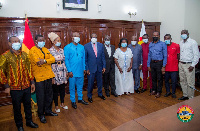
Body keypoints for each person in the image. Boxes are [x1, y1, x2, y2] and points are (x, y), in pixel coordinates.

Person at [0, 36, 38, 131]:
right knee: (17, 108)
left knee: (27, 105)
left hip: (26, 86)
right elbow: (0, 71)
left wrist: (32, 82)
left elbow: (29, 69)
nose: (16, 43)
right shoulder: (5, 56)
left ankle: (29, 122)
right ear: (9, 43)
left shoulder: (25, 55)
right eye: (14, 41)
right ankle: (19, 125)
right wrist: (6, 85)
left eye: (18, 41)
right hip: (14, 88)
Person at [29, 35, 58, 124]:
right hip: (39, 78)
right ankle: (41, 114)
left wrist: (45, 61)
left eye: (43, 40)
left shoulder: (45, 49)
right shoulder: (32, 50)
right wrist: (46, 60)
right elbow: (38, 62)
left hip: (48, 76)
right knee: (41, 97)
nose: (42, 41)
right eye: (40, 40)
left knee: (49, 95)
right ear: (36, 41)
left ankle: (48, 111)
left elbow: (53, 59)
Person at [64, 32, 89, 109]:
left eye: (78, 36)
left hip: (80, 70)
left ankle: (80, 99)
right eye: (75, 36)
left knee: (80, 86)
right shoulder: (67, 47)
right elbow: (66, 60)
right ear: (72, 37)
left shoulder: (82, 47)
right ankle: (73, 101)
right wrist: (69, 71)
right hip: (72, 71)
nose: (77, 37)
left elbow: (84, 58)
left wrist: (84, 68)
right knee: (72, 87)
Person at [48, 32, 68, 112]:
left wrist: (66, 72)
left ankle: (62, 103)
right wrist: (51, 76)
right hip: (54, 72)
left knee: (62, 89)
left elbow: (64, 61)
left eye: (60, 40)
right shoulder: (49, 51)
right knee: (55, 91)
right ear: (53, 41)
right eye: (57, 40)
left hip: (62, 71)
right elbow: (49, 65)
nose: (59, 42)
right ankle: (56, 106)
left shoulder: (62, 50)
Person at [84, 33, 106, 103]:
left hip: (99, 67)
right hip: (91, 68)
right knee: (90, 83)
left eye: (95, 37)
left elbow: (103, 57)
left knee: (100, 82)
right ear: (90, 38)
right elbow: (85, 59)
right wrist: (87, 68)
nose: (94, 38)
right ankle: (89, 96)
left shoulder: (100, 45)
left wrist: (104, 66)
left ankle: (100, 94)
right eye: (93, 37)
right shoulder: (86, 46)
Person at [178, 30, 200, 100]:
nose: (183, 35)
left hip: (189, 65)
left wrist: (193, 65)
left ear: (188, 34)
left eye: (184, 33)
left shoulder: (193, 42)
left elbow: (197, 55)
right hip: (181, 64)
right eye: (182, 34)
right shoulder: (181, 42)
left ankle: (191, 98)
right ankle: (185, 95)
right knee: (182, 81)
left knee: (190, 82)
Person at [148, 31, 167, 98]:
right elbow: (149, 55)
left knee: (159, 78)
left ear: (159, 36)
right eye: (154, 35)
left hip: (159, 63)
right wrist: (148, 65)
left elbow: (165, 56)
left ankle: (159, 91)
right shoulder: (150, 44)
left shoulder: (162, 44)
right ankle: (154, 90)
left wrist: (163, 66)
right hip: (152, 63)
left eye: (156, 35)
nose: (155, 36)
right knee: (153, 78)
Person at [164, 34, 180, 98]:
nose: (167, 40)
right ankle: (168, 92)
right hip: (166, 67)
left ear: (171, 39)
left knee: (174, 81)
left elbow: (178, 55)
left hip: (174, 67)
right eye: (165, 39)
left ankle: (173, 92)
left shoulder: (176, 45)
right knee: (166, 80)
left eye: (168, 38)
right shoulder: (164, 46)